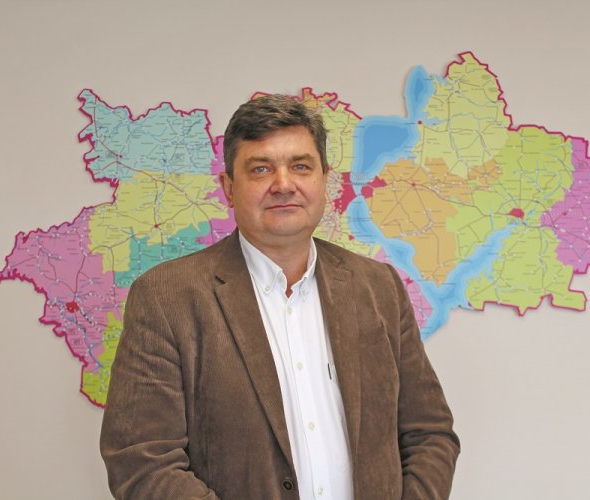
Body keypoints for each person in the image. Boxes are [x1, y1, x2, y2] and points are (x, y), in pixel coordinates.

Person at [100, 94, 460, 499]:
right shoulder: (166, 298)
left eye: (301, 166)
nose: (284, 184)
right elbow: (141, 462)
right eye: (261, 169)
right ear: (228, 188)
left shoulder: (379, 287)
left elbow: (430, 434)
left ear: (325, 180)